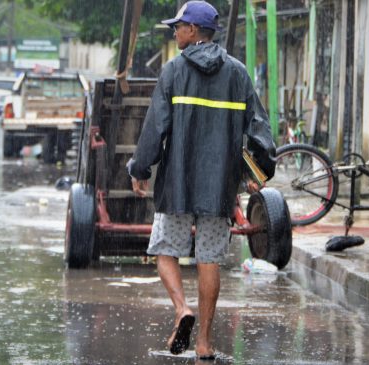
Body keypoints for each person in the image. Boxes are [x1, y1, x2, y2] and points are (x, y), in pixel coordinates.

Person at [126, 1, 276, 359]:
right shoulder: (238, 74)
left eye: (178, 26)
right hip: (220, 186)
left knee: (165, 250)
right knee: (208, 259)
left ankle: (182, 310)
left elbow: (155, 128)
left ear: (193, 30)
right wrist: (261, 170)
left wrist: (140, 168)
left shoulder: (174, 71)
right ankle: (205, 344)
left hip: (177, 184)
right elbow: (259, 128)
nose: (175, 31)